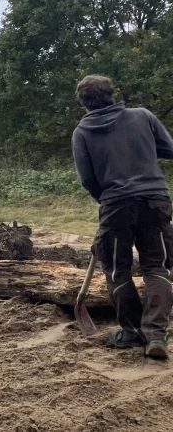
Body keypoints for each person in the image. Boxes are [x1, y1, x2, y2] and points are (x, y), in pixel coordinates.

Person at [72, 74, 173, 360]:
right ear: (112, 94)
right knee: (158, 266)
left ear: (84, 102)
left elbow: (88, 179)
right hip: (155, 201)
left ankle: (131, 331)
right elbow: (169, 149)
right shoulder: (143, 116)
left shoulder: (82, 132)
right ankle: (156, 333)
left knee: (118, 270)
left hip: (115, 206)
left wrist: (106, 202)